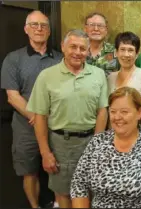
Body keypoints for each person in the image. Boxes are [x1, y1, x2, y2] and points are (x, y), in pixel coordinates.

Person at [26, 29, 109, 208]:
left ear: (88, 51)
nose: (77, 52)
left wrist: (98, 144)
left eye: (82, 48)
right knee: (63, 193)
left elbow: (103, 111)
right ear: (63, 47)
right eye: (73, 47)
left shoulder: (98, 74)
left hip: (90, 142)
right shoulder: (46, 76)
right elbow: (40, 116)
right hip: (60, 144)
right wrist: (45, 153)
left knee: (92, 191)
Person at [70, 86, 141, 208]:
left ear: (139, 113)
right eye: (113, 111)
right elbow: (78, 183)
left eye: (124, 112)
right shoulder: (97, 143)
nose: (117, 117)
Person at [1, 10, 62, 208]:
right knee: (29, 171)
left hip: (56, 126)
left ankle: (57, 205)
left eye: (43, 25)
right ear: (26, 29)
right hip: (26, 127)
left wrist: (49, 120)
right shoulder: (13, 59)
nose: (39, 29)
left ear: (49, 31)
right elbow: (13, 96)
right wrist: (38, 118)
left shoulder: (61, 59)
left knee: (58, 168)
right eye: (34, 25)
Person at [108, 31, 141, 132]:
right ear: (116, 53)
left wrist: (124, 125)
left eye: (130, 50)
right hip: (114, 133)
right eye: (122, 49)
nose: (126, 54)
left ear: (137, 54)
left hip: (138, 133)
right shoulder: (110, 78)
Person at [84, 12, 118, 76]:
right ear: (85, 29)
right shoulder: (78, 50)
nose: (96, 29)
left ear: (106, 30)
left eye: (100, 26)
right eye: (92, 25)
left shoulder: (115, 52)